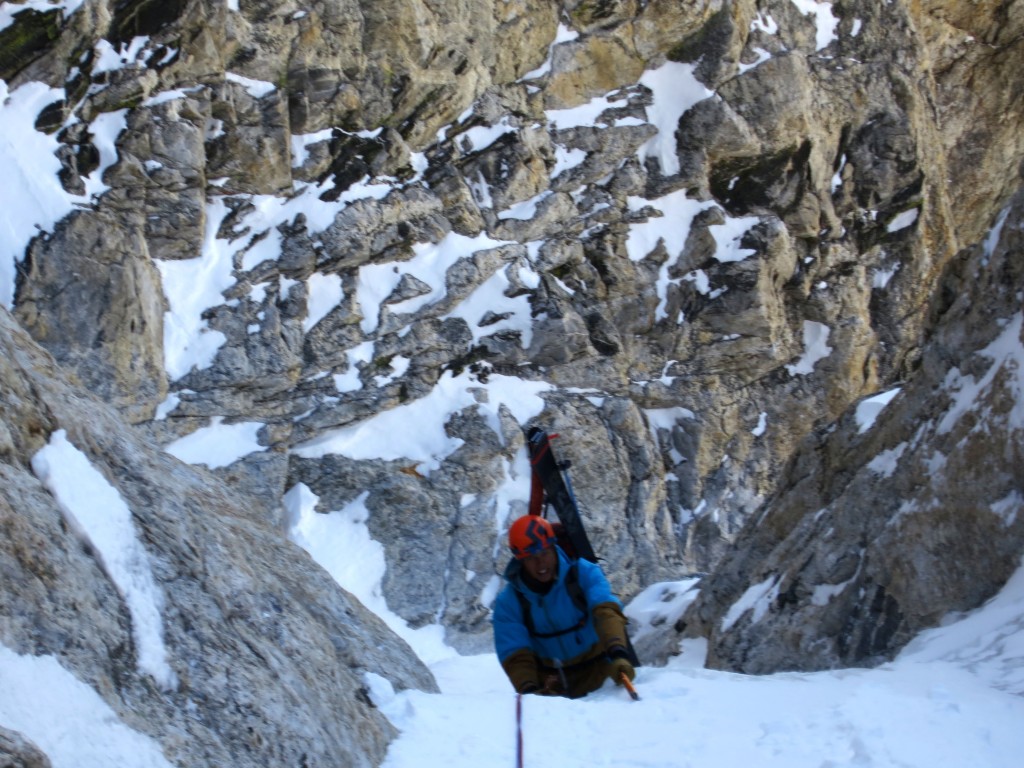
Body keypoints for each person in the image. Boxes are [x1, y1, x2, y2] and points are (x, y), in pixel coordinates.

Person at [491, 514, 636, 698]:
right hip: (552, 686)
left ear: (554, 548)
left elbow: (605, 610)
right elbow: (514, 651)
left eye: (545, 553)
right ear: (521, 561)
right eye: (531, 558)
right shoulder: (510, 602)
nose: (540, 563)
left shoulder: (584, 573)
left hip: (601, 675)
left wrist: (618, 653)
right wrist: (528, 689)